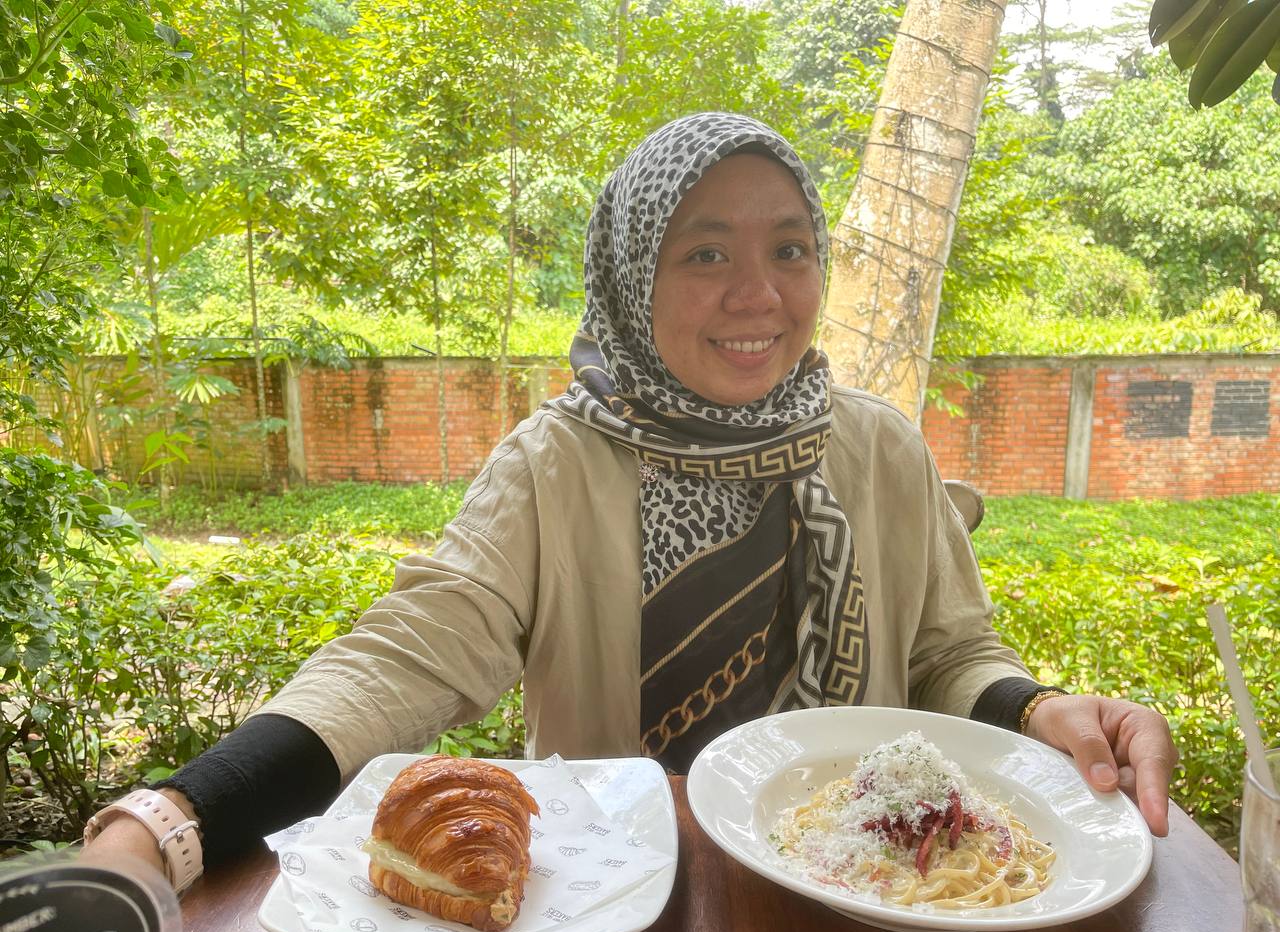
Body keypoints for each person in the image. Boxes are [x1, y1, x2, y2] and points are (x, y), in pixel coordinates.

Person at [81, 113, 1177, 892]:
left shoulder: (876, 448)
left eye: (788, 248)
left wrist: (1034, 713)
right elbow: (403, 660)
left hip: (872, 892)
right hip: (617, 900)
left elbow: (948, 654)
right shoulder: (556, 465)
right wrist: (169, 820)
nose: (759, 294)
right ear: (625, 273)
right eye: (704, 252)